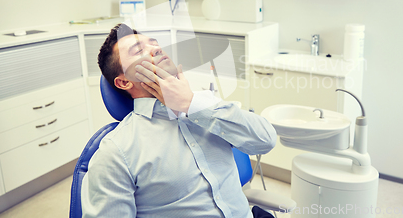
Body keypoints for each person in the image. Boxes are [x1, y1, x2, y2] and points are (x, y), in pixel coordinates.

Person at [81, 23, 278, 218]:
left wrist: (191, 103)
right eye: (139, 50)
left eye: (154, 42)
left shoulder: (207, 106)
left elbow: (266, 140)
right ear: (124, 81)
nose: (156, 48)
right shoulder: (116, 152)